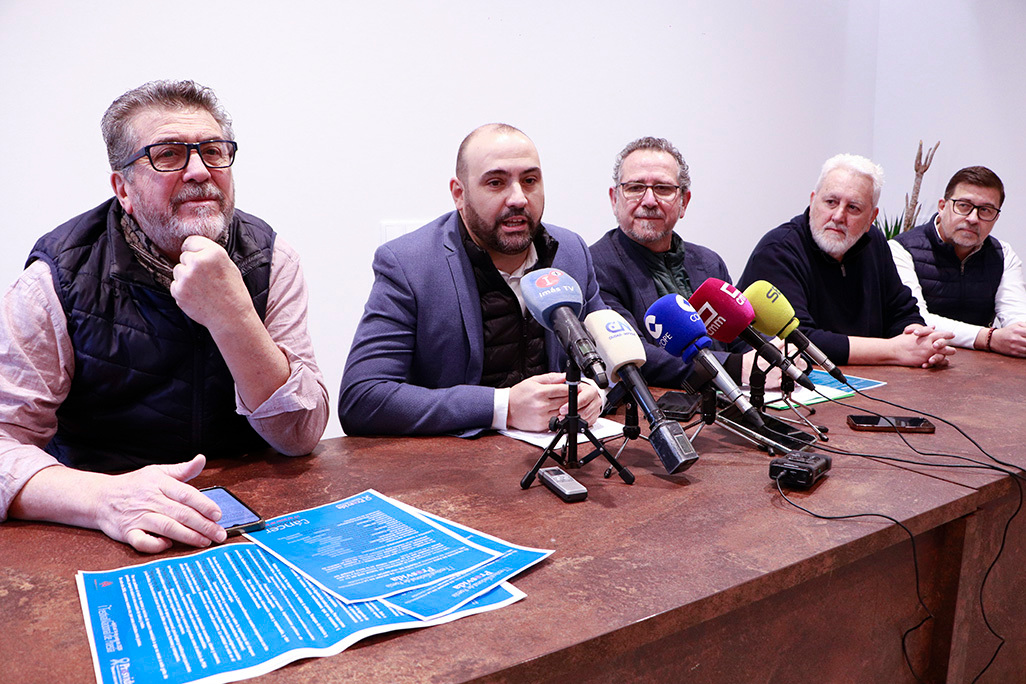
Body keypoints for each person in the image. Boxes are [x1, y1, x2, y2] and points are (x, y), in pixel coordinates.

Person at [0, 80, 329, 553]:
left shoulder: (272, 260)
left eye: (214, 151)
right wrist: (102, 498)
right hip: (108, 528)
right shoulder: (55, 278)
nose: (199, 171)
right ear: (123, 189)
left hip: (249, 520)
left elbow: (299, 436)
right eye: (169, 155)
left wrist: (233, 315)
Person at [339, 123, 605, 437]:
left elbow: (611, 357)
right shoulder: (409, 265)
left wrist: (595, 394)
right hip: (456, 469)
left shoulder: (571, 251)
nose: (518, 198)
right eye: (496, 182)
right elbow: (362, 398)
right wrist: (502, 406)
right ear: (459, 194)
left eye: (530, 180)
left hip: (560, 457)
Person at [738, 153, 954, 368]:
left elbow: (902, 311)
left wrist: (921, 343)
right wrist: (895, 351)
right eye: (830, 202)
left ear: (871, 218)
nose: (839, 216)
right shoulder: (778, 250)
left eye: (853, 208)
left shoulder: (873, 242)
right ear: (813, 201)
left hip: (872, 382)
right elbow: (795, 339)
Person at [589, 136, 749, 389]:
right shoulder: (596, 266)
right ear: (614, 199)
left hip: (732, 399)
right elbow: (637, 355)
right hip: (658, 409)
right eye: (635, 187)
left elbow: (742, 335)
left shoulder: (709, 263)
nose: (649, 200)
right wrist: (734, 367)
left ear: (683, 202)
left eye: (663, 188)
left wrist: (766, 357)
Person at [890, 166, 1026, 357]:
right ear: (942, 206)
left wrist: (1019, 336)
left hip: (983, 370)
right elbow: (918, 319)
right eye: (963, 205)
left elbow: (1017, 316)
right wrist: (989, 338)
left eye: (985, 210)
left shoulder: (1003, 254)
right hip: (919, 363)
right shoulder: (901, 250)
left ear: (996, 217)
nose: (973, 218)